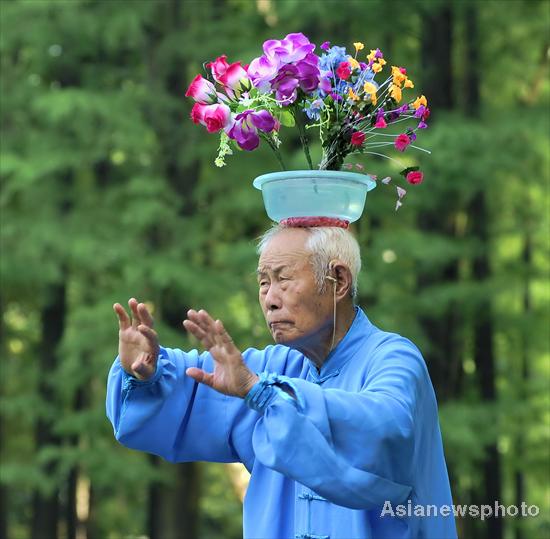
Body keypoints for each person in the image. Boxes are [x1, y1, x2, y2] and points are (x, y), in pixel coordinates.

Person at [106, 225, 458, 539]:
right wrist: (148, 373)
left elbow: (381, 432)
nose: (270, 300)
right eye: (263, 283)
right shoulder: (276, 366)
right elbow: (191, 389)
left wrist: (264, 394)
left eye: (283, 279)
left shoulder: (393, 358)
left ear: (339, 280)